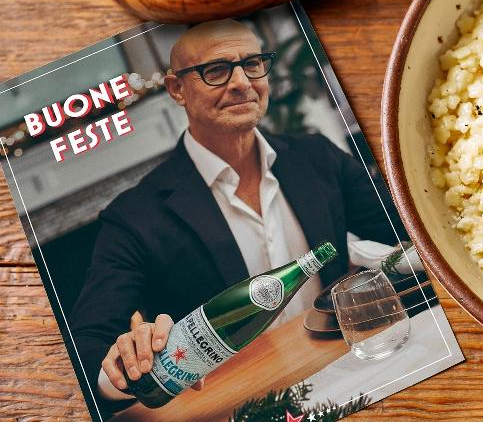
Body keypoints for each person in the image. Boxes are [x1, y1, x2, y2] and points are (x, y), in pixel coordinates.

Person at [69, 20, 403, 409]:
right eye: (216, 70)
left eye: (254, 63)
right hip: (240, 405)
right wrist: (125, 365)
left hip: (350, 368)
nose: (242, 82)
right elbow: (86, 349)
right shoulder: (133, 217)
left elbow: (402, 228)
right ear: (177, 89)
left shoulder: (316, 156)